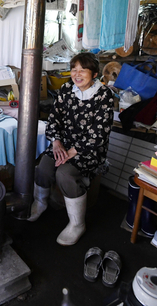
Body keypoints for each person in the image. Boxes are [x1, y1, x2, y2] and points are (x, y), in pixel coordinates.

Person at [28, 52, 114, 246]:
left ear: (94, 73)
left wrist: (72, 152)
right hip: (63, 145)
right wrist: (56, 142)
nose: (77, 74)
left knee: (65, 174)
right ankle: (40, 203)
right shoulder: (66, 89)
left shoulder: (104, 95)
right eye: (74, 69)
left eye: (82, 70)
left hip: (89, 149)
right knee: (43, 166)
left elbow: (99, 134)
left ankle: (77, 224)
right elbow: (54, 118)